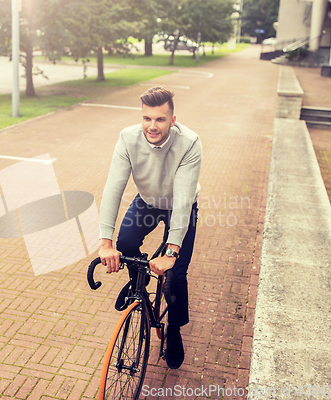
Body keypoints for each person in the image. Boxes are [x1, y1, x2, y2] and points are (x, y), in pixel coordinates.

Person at [98, 86, 202, 370]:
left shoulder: (189, 143)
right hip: (147, 201)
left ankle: (175, 331)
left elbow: (181, 202)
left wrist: (171, 251)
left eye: (159, 119)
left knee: (176, 275)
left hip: (180, 206)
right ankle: (139, 284)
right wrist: (105, 242)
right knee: (126, 245)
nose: (152, 126)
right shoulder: (128, 139)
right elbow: (113, 189)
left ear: (172, 119)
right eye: (147, 118)